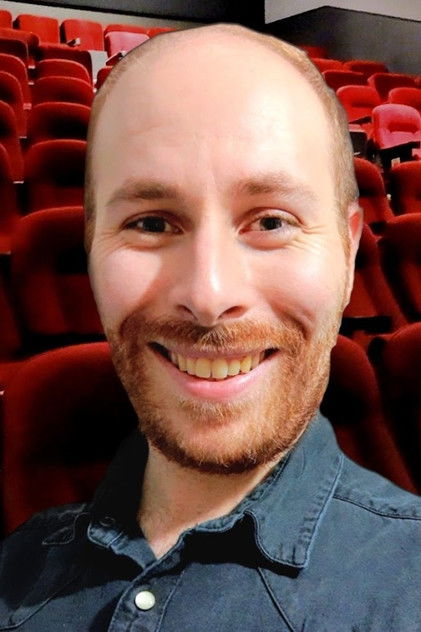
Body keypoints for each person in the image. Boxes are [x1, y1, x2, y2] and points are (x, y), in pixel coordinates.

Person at [0, 23, 420, 631]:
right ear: (89, 249)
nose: (208, 295)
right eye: (151, 223)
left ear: (349, 253)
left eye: (271, 222)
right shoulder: (14, 572)